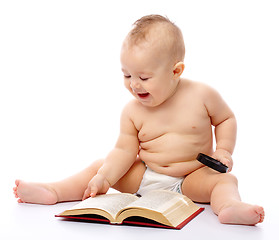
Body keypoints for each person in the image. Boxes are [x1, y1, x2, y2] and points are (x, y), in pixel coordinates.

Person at [13, 14, 264, 225]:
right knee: (99, 166)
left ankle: (229, 207)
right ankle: (54, 191)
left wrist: (224, 151)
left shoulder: (202, 95)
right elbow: (124, 150)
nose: (134, 85)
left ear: (175, 71)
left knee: (224, 180)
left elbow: (225, 119)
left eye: (144, 77)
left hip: (190, 178)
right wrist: (106, 178)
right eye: (126, 75)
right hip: (145, 176)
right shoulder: (132, 111)